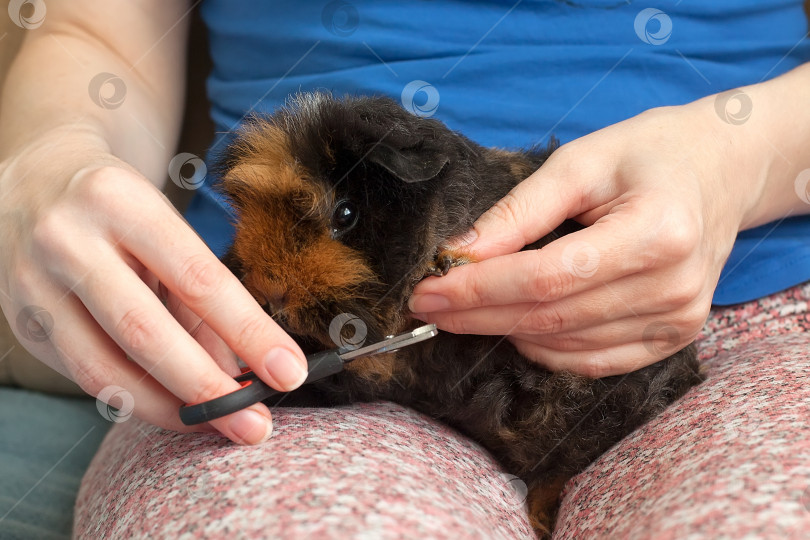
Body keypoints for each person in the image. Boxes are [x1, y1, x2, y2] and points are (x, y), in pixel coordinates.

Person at [2, 1, 809, 538]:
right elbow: (96, 35)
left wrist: (737, 161)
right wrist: (46, 158)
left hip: (741, 309)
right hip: (270, 352)